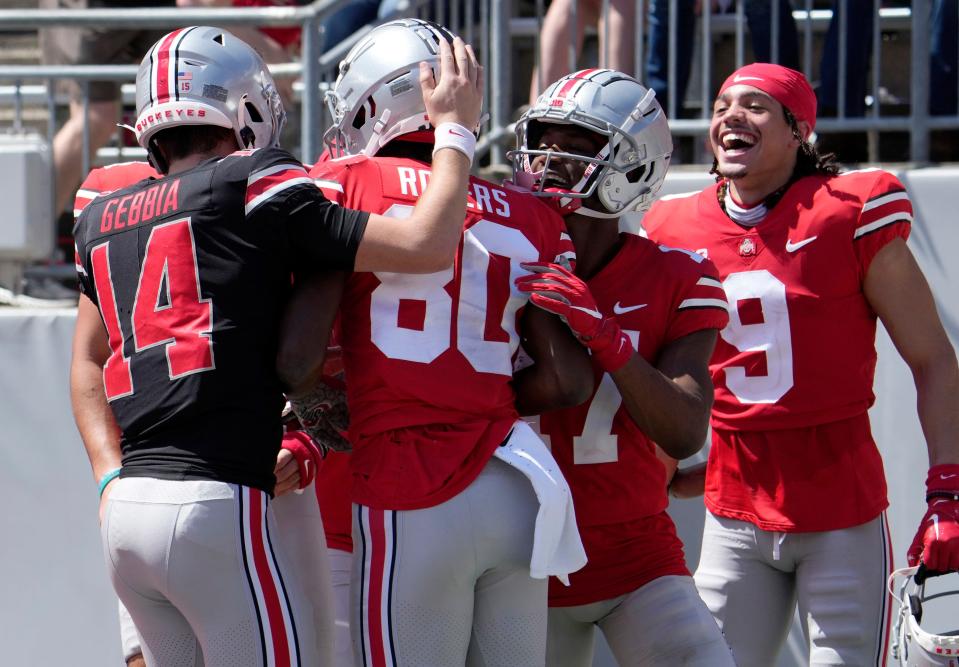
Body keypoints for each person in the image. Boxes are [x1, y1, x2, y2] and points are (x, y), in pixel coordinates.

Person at [70, 23, 483, 666]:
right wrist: (456, 131)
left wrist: (106, 476)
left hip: (127, 507)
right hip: (216, 501)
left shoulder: (101, 211)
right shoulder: (255, 180)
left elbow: (88, 358)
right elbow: (427, 245)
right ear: (247, 107)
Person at [283, 18, 594, 666]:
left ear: (373, 103)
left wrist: (315, 411)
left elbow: (297, 356)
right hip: (514, 479)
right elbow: (566, 378)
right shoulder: (531, 213)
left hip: (408, 484)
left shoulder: (345, 183)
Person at [643, 62, 959, 666]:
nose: (730, 116)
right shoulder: (674, 225)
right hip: (733, 507)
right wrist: (664, 471)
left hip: (840, 510)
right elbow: (664, 371)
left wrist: (947, 491)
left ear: (798, 131)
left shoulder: (847, 211)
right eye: (721, 106)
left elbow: (934, 360)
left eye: (755, 106)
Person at [509, 68, 735, 667]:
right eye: (543, 139)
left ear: (635, 166)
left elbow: (685, 430)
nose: (547, 159)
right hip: (515, 555)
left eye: (574, 145)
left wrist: (605, 336)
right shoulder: (486, 250)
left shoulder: (678, 276)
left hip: (635, 550)